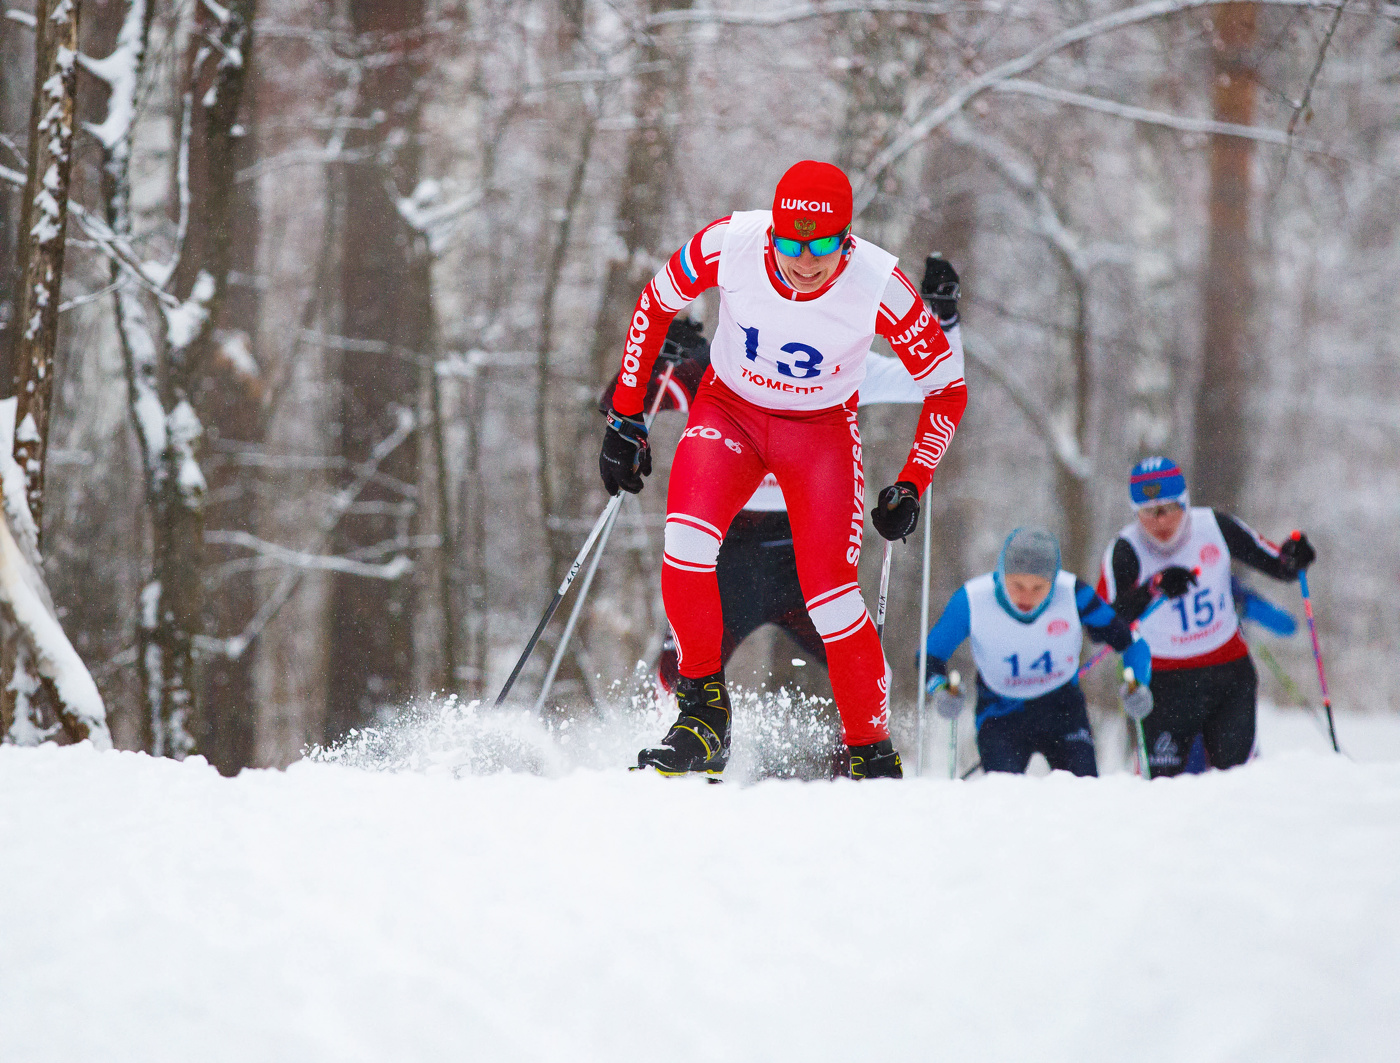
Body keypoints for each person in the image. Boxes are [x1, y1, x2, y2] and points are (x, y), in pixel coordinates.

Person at [599, 160, 967, 779]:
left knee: (832, 598)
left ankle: (870, 751)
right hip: (730, 412)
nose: (805, 260)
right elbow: (654, 303)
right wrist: (625, 418)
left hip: (818, 435)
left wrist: (912, 481)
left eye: (823, 245)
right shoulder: (730, 242)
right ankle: (702, 718)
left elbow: (947, 388)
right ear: (773, 231)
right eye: (792, 243)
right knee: (685, 542)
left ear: (847, 239)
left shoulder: (879, 284)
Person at [614, 284, 962, 696]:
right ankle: (668, 730)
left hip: (803, 550)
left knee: (866, 665)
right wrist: (662, 359)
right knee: (678, 671)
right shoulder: (728, 357)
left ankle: (865, 739)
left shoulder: (841, 363)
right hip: (730, 550)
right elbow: (627, 397)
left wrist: (946, 324)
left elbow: (934, 383)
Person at [1097, 457, 1316, 777]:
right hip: (1164, 682)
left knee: (1237, 780)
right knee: (1164, 789)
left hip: (1227, 674)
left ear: (1185, 502)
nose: (1160, 521)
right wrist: (1153, 588)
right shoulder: (1124, 550)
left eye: (1169, 508)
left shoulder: (1214, 526)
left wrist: (1295, 557)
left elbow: (1281, 566)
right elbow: (1106, 623)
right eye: (1148, 511)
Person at [919, 528, 1151, 776]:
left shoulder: (1073, 593)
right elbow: (930, 656)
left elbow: (1131, 642)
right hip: (999, 711)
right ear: (1001, 574)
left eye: (1039, 587)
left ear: (1053, 581)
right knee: (1003, 791)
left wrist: (1138, 683)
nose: (1026, 596)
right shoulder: (972, 599)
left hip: (1063, 708)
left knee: (1083, 790)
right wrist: (940, 688)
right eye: (1017, 585)